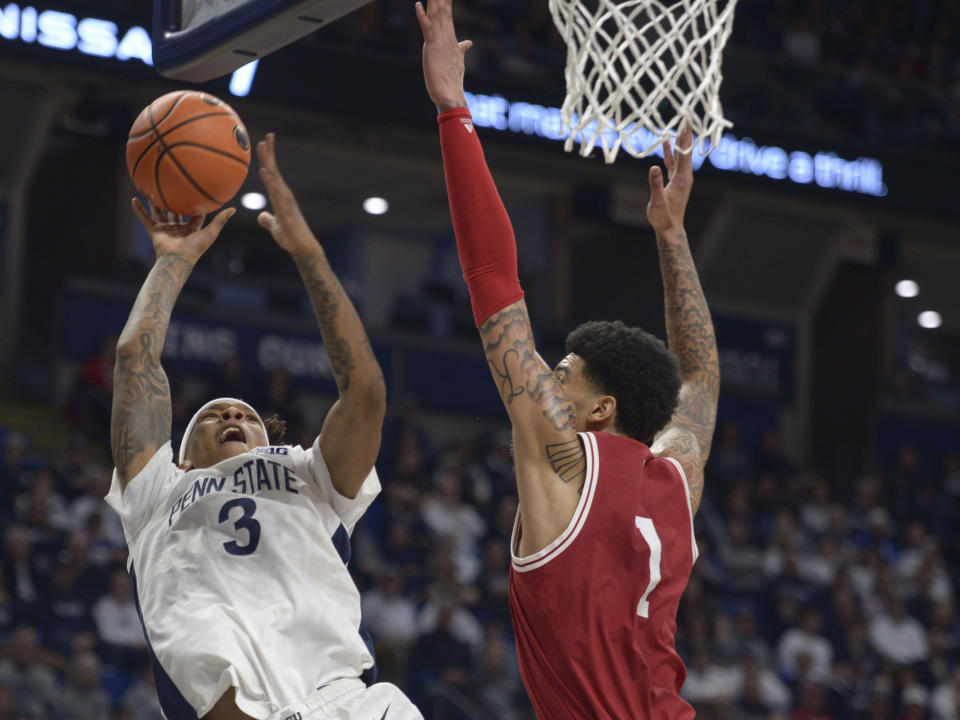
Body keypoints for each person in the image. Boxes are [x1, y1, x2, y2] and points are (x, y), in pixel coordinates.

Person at [416, 0, 720, 717]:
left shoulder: (567, 458)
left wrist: (454, 111)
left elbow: (495, 281)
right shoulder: (677, 479)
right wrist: (671, 238)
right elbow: (700, 375)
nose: (545, 380)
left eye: (562, 375)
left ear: (598, 409)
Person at [106, 135, 423, 720]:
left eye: (246, 415)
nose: (232, 415)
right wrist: (173, 263)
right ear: (180, 457)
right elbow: (135, 361)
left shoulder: (307, 474)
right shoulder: (154, 494)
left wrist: (308, 255)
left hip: (351, 700)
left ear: (271, 441)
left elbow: (366, 395)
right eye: (214, 415)